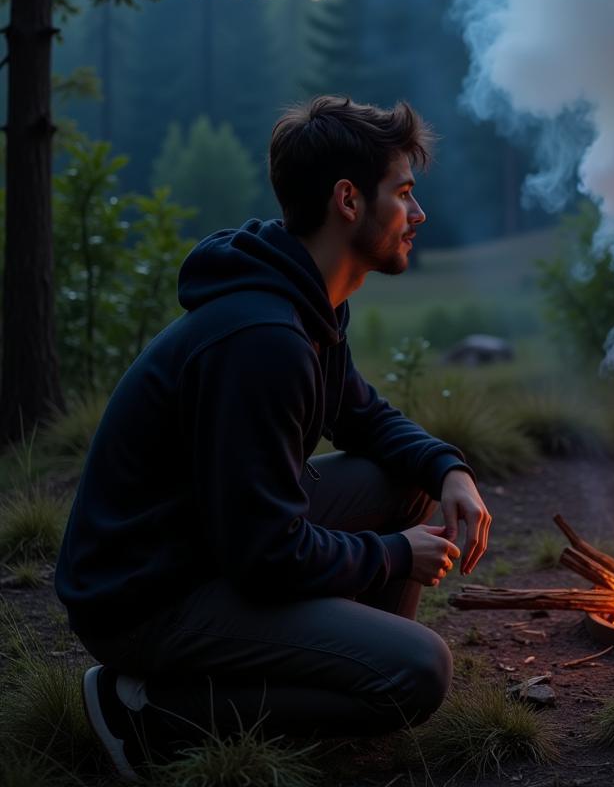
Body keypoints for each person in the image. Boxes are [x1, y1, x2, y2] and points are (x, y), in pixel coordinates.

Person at [55, 95, 491, 782]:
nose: (418, 214)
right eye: (403, 194)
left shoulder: (306, 297)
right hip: (146, 598)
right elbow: (265, 554)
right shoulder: (263, 340)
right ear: (348, 200)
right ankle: (144, 712)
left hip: (204, 548)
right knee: (419, 672)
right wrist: (390, 555)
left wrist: (448, 471)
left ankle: (338, 671)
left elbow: (364, 417)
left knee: (401, 476)